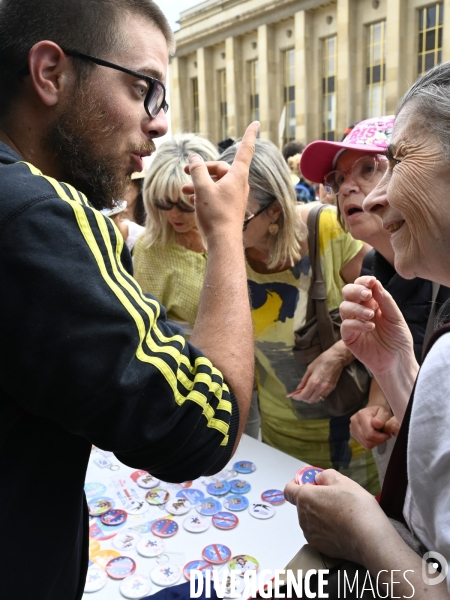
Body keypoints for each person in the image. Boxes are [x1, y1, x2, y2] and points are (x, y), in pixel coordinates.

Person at [0, 1, 257, 598]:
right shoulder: (39, 214)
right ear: (50, 73)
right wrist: (224, 234)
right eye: (145, 88)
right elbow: (204, 423)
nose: (160, 123)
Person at [285, 60, 450, 598]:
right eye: (335, 181)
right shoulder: (400, 272)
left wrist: (363, 531)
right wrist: (398, 367)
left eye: (388, 164)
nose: (368, 197)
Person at [220, 139, 378, 493]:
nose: (224, 224)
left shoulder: (329, 230)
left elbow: (387, 311)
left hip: (348, 435)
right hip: (278, 438)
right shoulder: (224, 248)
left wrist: (339, 354)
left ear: (275, 210)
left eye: (239, 214)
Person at [300, 115, 450, 484]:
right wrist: (374, 410)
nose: (347, 186)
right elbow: (391, 362)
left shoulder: (440, 259)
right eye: (337, 179)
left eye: (368, 168)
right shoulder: (372, 264)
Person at [133, 133, 218, 334]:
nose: (173, 214)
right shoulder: (151, 248)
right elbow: (148, 329)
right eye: (163, 202)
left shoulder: (240, 234)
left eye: (185, 204)